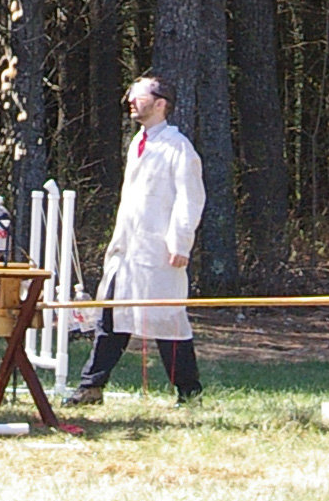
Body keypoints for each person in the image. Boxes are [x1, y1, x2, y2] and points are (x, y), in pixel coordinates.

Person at [66, 73, 206, 407]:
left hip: (159, 253)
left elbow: (191, 199)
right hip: (127, 252)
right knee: (111, 317)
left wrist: (180, 244)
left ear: (160, 104)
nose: (131, 100)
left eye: (139, 96)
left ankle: (189, 392)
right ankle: (91, 386)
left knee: (168, 323)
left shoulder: (178, 147)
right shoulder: (137, 144)